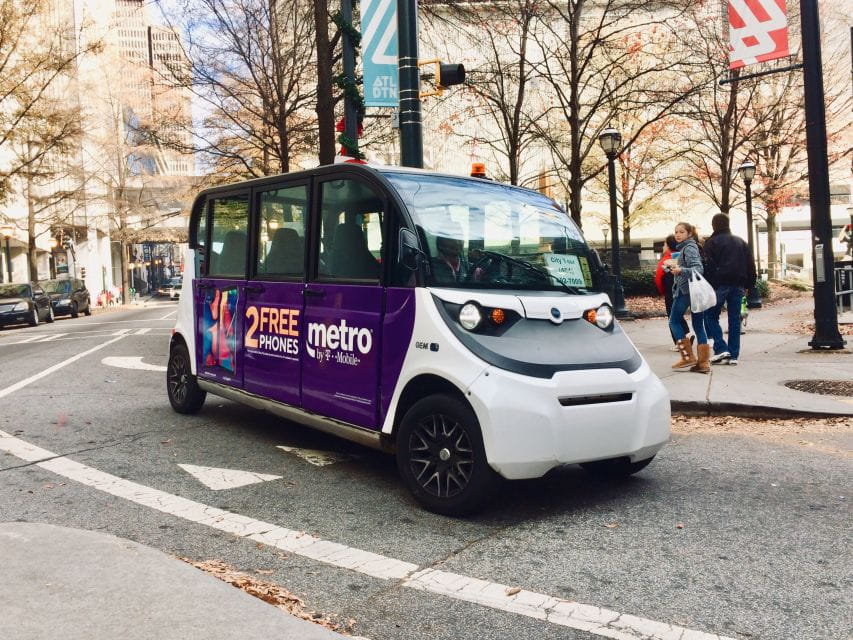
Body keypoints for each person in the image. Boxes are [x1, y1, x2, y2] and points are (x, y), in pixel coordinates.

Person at [703, 213, 756, 366]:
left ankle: (721, 348)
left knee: (710, 316)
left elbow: (708, 266)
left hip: (719, 285)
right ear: (728, 224)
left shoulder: (711, 243)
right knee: (734, 320)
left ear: (713, 225)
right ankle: (734, 355)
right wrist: (749, 285)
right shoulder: (741, 242)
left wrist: (710, 285)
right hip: (738, 285)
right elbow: (750, 265)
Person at [666, 221, 710, 373]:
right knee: (698, 325)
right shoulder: (687, 247)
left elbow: (698, 269)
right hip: (694, 291)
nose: (678, 235)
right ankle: (703, 363)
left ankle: (687, 356)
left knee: (673, 321)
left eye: (681, 232)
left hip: (686, 291)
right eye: (676, 232)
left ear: (689, 233)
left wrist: (680, 270)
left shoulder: (689, 247)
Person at [655, 234, 690, 350]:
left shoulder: (666, 260)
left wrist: (662, 291)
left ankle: (680, 342)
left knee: (672, 317)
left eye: (664, 244)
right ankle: (687, 334)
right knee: (678, 314)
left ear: (669, 246)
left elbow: (659, 278)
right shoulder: (682, 256)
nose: (663, 247)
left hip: (670, 290)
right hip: (684, 290)